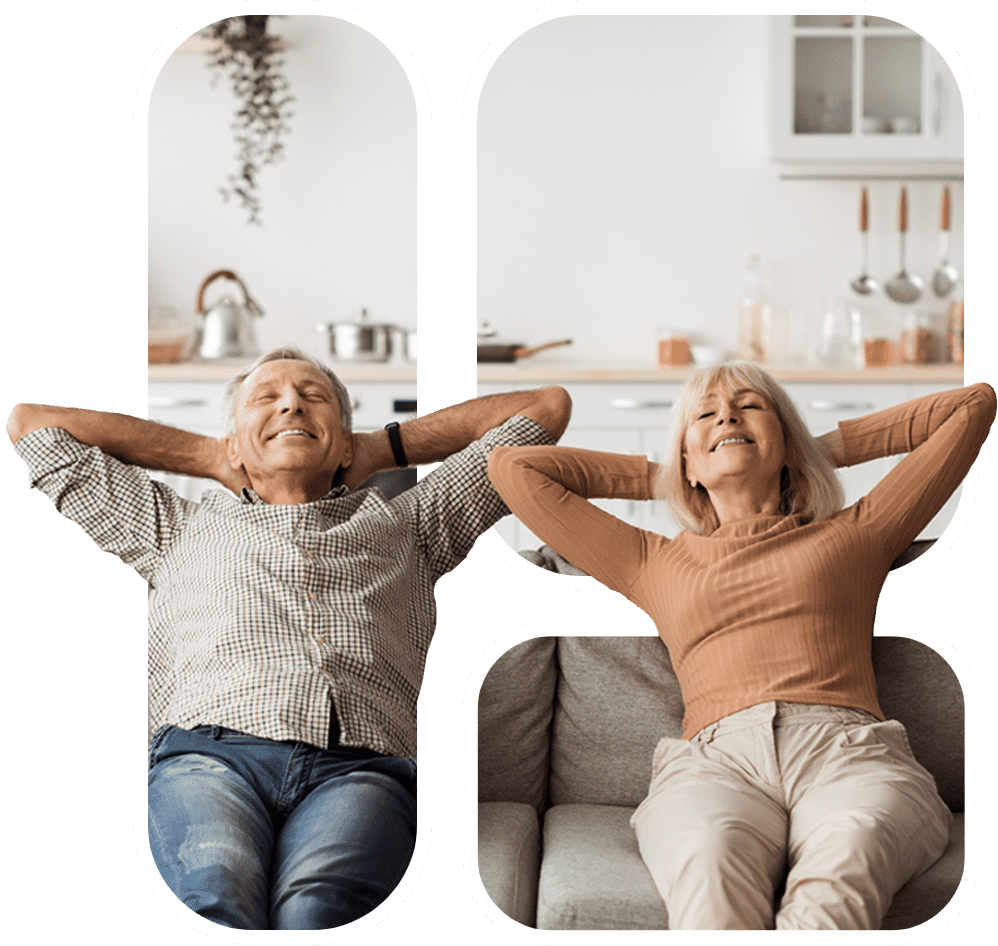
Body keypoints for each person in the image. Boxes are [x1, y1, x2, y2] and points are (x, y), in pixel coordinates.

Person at [7, 345, 571, 931]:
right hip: (208, 758)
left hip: (360, 770)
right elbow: (31, 425)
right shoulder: (175, 526)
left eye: (313, 397)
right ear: (233, 438)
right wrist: (208, 454)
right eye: (266, 398)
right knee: (215, 887)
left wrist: (381, 447)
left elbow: (545, 408)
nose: (291, 406)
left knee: (317, 907)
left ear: (344, 440)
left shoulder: (414, 524)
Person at [488, 361, 995, 931]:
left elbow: (971, 406)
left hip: (848, 754)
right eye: (704, 415)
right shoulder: (656, 561)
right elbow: (512, 466)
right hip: (714, 766)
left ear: (786, 439)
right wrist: (670, 474)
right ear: (688, 459)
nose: (726, 413)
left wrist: (813, 451)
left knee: (853, 848)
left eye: (749, 406)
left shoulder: (859, 532)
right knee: (709, 860)